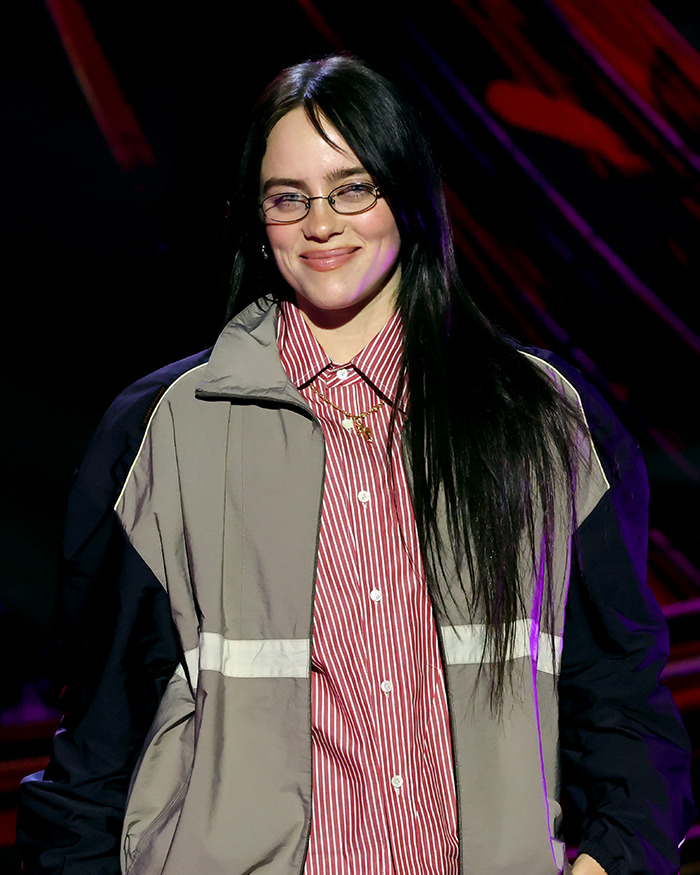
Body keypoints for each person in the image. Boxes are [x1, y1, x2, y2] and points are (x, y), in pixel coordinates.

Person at [17, 54, 694, 875]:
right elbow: (98, 747)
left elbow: (624, 706)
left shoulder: (543, 421)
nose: (321, 223)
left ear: (407, 197)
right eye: (288, 197)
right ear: (256, 224)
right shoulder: (166, 431)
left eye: (352, 188)